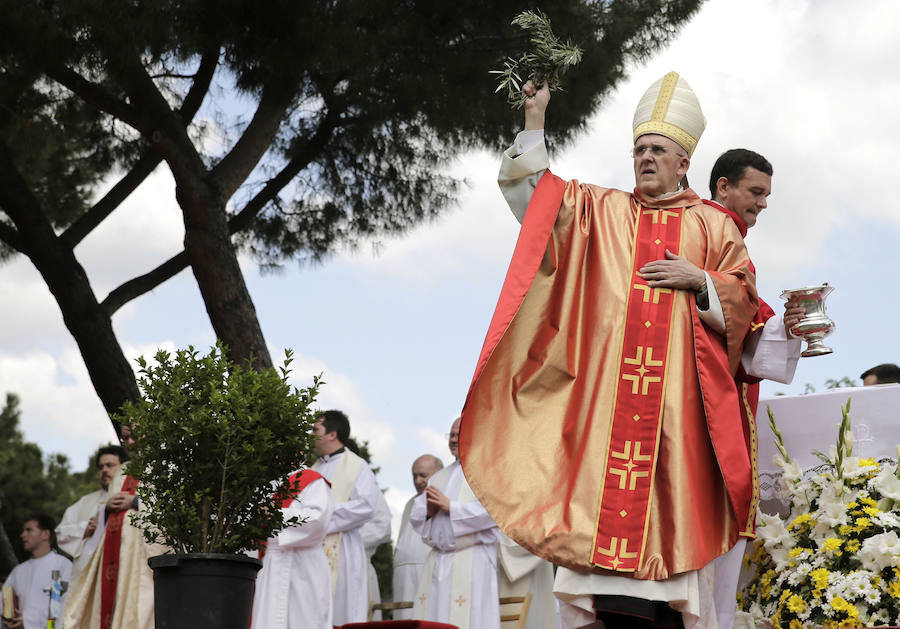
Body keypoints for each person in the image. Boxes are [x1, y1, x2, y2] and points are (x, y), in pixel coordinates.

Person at [460, 72, 760, 628]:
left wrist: (700, 280)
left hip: (675, 423)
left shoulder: (715, 225)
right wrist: (534, 120)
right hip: (605, 422)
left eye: (657, 150)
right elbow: (534, 200)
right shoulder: (598, 211)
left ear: (683, 163)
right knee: (599, 600)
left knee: (666, 598)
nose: (646, 157)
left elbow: (743, 299)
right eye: (639, 149)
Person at [63, 426, 164, 629]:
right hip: (115, 554)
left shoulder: (162, 466)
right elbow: (104, 508)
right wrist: (106, 509)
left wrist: (135, 502)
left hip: (140, 559)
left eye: (135, 436)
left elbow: (168, 509)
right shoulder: (122, 473)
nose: (130, 442)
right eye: (125, 438)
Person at [410, 418, 500, 629]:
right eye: (450, 434)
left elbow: (494, 512)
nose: (452, 439)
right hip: (438, 561)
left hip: (472, 559)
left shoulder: (488, 471)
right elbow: (417, 514)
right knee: (436, 618)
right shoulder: (439, 477)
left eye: (457, 434)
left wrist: (452, 507)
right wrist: (429, 513)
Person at [311, 410, 379, 625]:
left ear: (332, 434)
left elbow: (366, 506)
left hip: (343, 549)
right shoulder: (314, 468)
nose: (311, 435)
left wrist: (323, 515)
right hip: (312, 547)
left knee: (341, 608)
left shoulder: (357, 466)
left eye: (316, 430)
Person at [250, 466, 334, 629]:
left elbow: (318, 521)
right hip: (268, 563)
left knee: (305, 620)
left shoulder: (312, 481)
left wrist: (274, 516)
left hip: (302, 564)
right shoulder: (262, 482)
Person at [55, 445, 127, 582]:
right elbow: (61, 533)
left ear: (123, 467)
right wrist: (85, 529)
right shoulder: (85, 502)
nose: (104, 470)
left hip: (121, 573)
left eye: (109, 465)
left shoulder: (131, 497)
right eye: (100, 467)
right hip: (88, 578)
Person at [393, 454, 443, 619]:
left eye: (423, 475)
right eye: (414, 476)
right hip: (403, 574)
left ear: (439, 474)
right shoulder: (410, 503)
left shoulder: (445, 499)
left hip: (427, 569)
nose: (417, 481)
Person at [1, 514, 72, 629]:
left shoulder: (63, 566)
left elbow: (67, 605)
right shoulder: (18, 572)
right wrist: (8, 620)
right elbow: (4, 603)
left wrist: (29, 620)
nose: (23, 535)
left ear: (45, 534)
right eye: (23, 531)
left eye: (29, 530)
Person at [360, 488, 391, 620]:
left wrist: (344, 538)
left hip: (359, 567)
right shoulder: (316, 477)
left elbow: (383, 527)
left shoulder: (363, 482)